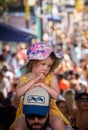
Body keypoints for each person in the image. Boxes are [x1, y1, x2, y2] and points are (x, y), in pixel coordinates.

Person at [13, 42, 71, 130]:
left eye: (49, 66)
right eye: (43, 64)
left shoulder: (51, 77)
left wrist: (41, 84)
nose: (46, 68)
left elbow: (56, 95)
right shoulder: (24, 77)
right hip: (27, 109)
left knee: (58, 122)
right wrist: (34, 81)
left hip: (49, 109)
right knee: (19, 126)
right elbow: (18, 93)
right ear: (33, 62)